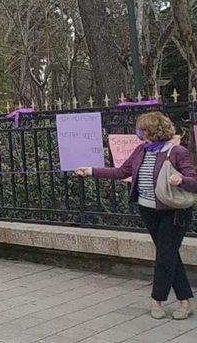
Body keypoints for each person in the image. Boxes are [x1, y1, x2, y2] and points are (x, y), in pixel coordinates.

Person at [76, 111, 197, 320]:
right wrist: (90, 171)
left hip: (174, 211)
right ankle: (185, 302)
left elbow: (193, 182)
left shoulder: (178, 152)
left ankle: (156, 300)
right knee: (169, 255)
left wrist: (181, 180)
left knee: (164, 256)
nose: (138, 132)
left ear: (151, 130)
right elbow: (122, 172)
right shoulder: (141, 150)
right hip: (148, 210)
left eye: (141, 128)